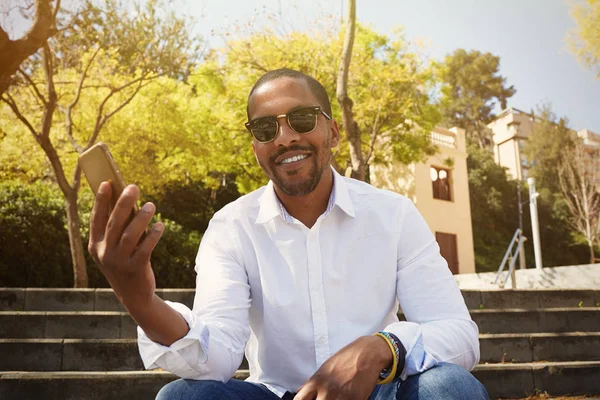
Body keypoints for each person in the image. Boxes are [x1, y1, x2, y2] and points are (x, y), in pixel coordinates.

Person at [88, 68, 489, 400]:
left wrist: (379, 349)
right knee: (181, 398)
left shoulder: (394, 214)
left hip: (379, 390)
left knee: (449, 387)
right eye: (265, 129)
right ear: (256, 149)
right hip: (276, 395)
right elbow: (218, 355)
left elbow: (458, 335)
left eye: (301, 120)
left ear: (332, 132)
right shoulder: (231, 227)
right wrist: (140, 301)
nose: (284, 137)